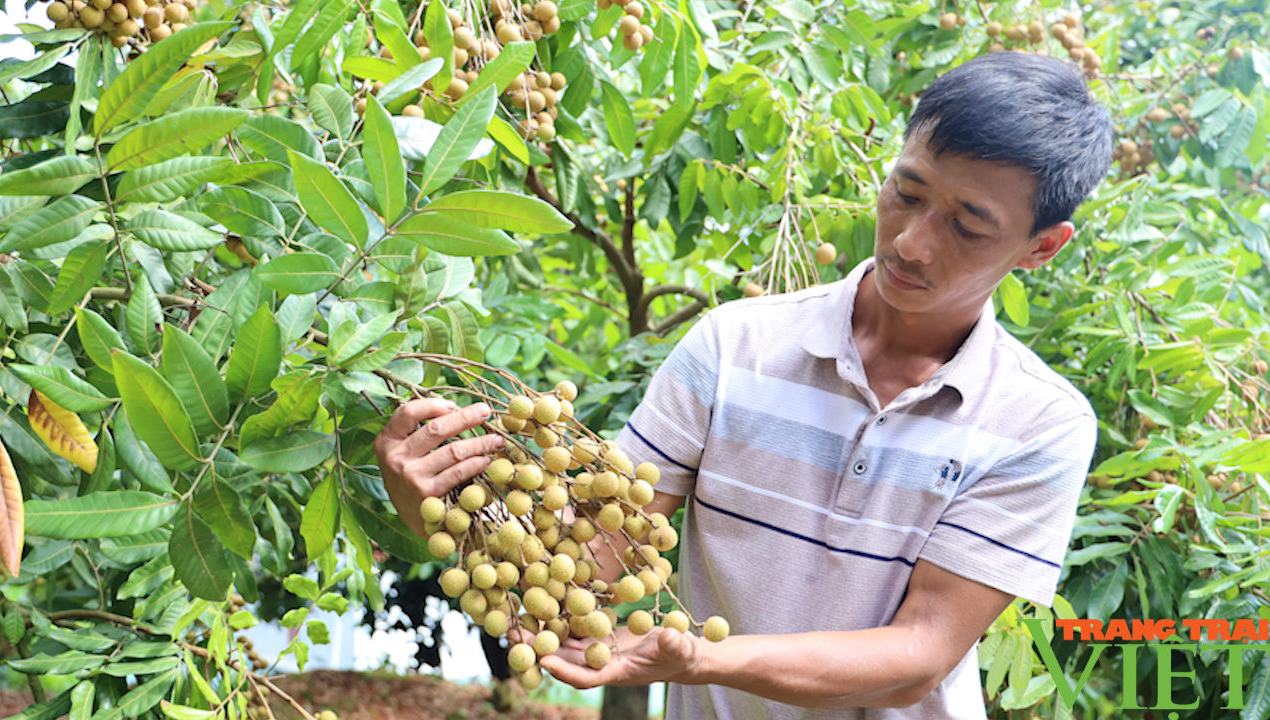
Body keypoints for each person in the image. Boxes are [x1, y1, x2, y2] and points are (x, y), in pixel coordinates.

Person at [375, 51, 1114, 718]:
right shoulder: (733, 346)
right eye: (907, 191)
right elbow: (591, 571)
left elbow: (917, 658)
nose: (910, 241)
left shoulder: (1039, 423)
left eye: (968, 225)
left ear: (1041, 248)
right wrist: (439, 517)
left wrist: (708, 661)